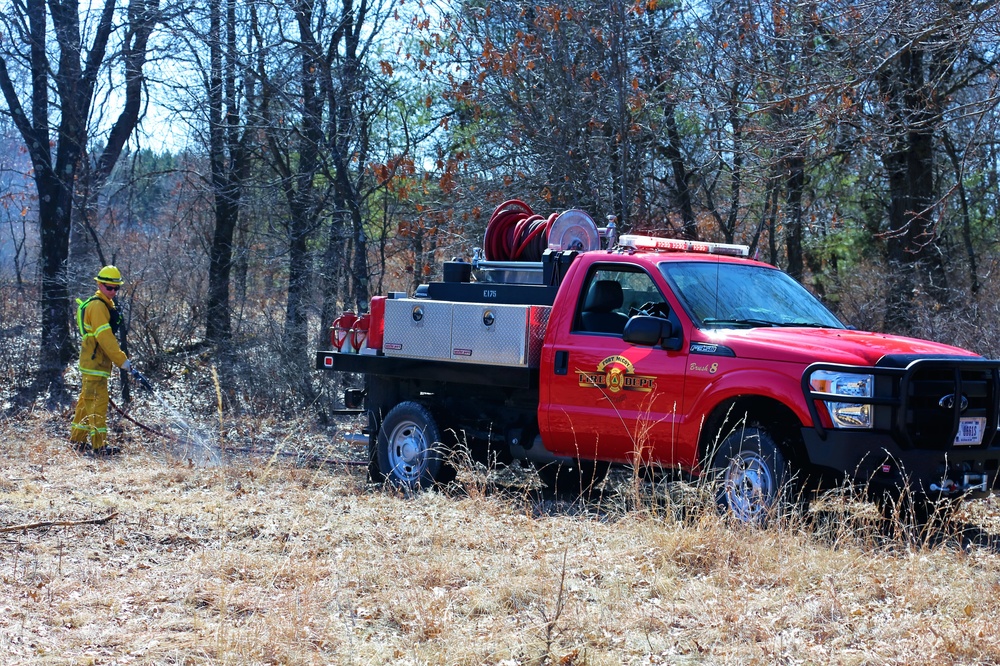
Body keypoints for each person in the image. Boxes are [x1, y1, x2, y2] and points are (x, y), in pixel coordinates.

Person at [70, 265, 133, 456]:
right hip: (94, 363)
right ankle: (99, 447)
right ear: (99, 284)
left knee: (85, 402)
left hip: (95, 364)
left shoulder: (106, 304)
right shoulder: (98, 306)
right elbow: (105, 337)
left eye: (116, 288)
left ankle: (78, 441)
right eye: (109, 287)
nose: (113, 291)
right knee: (97, 402)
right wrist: (121, 360)